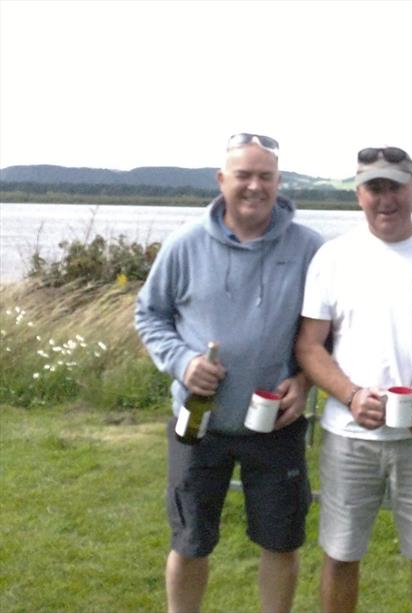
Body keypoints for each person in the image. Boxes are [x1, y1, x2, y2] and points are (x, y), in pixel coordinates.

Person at [134, 133, 323, 613]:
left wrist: (304, 382)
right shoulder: (184, 245)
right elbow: (149, 315)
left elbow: (328, 332)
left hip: (275, 421)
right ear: (222, 180)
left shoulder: (310, 250)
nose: (254, 186)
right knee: (191, 540)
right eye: (244, 175)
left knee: (281, 542)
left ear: (280, 183)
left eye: (265, 176)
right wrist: (182, 362)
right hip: (198, 424)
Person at [295, 146, 412, 613]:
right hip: (349, 434)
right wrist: (351, 395)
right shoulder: (333, 257)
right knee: (341, 553)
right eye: (374, 188)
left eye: (395, 187)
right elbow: (308, 345)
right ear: (359, 194)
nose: (386, 199)